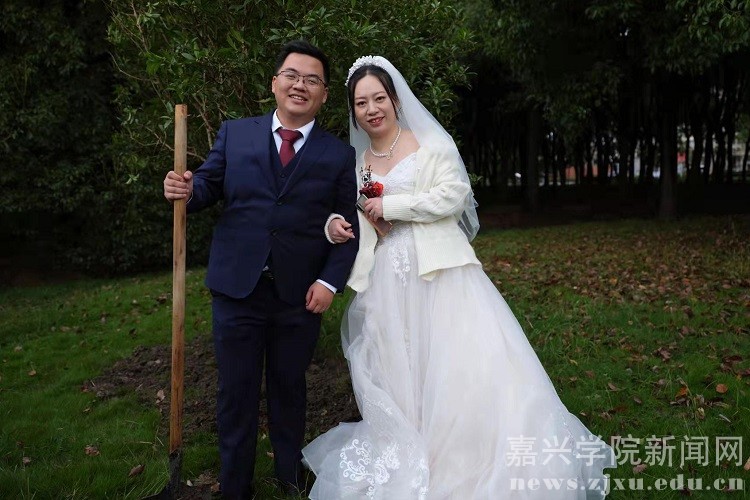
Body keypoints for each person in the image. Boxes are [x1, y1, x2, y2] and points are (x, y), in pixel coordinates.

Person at [301, 56, 614, 499]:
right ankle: (414, 443)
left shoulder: (429, 145)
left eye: (379, 98)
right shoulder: (360, 162)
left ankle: (464, 453)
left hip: (441, 273)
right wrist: (336, 224)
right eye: (361, 103)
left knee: (455, 363)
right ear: (353, 110)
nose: (372, 109)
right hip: (388, 279)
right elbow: (349, 212)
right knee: (398, 366)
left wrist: (393, 206)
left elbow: (453, 195)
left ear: (395, 100)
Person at [162, 40, 359, 499]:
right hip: (237, 289)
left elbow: (348, 226)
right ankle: (235, 486)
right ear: (274, 83)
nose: (300, 85)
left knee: (289, 389)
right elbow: (208, 184)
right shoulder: (236, 134)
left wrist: (330, 281)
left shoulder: (338, 155)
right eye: (292, 75)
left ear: (324, 94)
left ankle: (289, 478)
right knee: (236, 393)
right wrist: (187, 188)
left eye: (312, 80)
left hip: (300, 295)